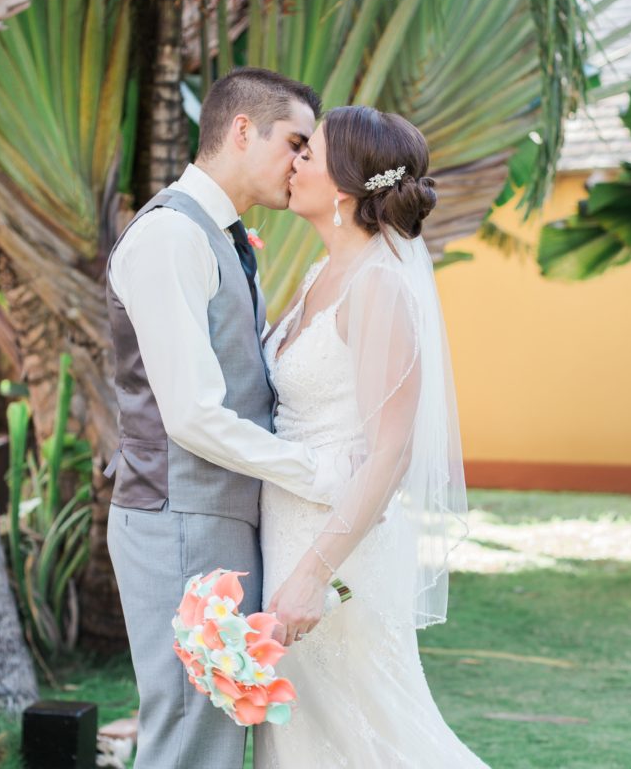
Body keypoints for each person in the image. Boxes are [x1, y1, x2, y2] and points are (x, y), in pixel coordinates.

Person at [105, 68, 349, 769]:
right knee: (192, 737)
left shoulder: (222, 237)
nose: (303, 162)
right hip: (179, 514)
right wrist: (314, 471)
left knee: (214, 727)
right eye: (295, 143)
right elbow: (192, 416)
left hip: (214, 516)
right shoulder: (170, 238)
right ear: (242, 129)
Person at [254, 105, 489, 767]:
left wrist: (311, 575)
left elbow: (390, 453)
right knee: (305, 738)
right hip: (288, 525)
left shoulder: (378, 286)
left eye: (310, 152)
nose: (294, 161)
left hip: (337, 554)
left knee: (375, 734)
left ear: (346, 185)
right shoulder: (317, 277)